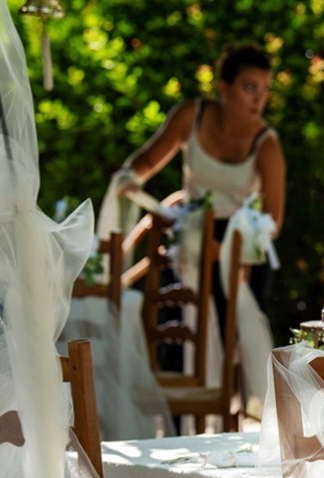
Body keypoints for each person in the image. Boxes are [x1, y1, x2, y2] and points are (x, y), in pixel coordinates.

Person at [115, 43, 286, 329]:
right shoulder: (190, 116)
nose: (259, 99)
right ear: (224, 87)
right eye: (250, 88)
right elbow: (146, 161)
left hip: (239, 244)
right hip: (190, 235)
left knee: (234, 335)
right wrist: (127, 180)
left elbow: (272, 221)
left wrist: (225, 250)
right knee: (174, 330)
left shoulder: (266, 144)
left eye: (265, 89)